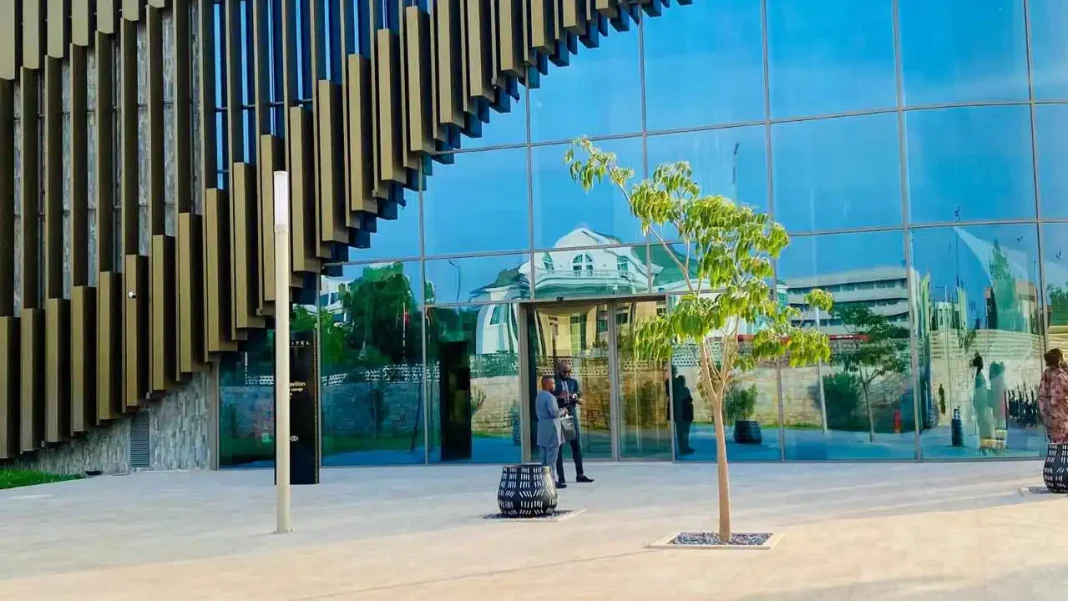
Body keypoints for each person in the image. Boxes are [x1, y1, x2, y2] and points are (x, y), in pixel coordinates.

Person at [554, 360, 593, 485]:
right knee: (559, 447)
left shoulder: (573, 382)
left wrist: (574, 397)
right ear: (559, 371)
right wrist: (559, 397)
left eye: (569, 371)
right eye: (564, 371)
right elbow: (548, 397)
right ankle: (561, 477)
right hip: (559, 416)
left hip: (570, 416)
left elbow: (580, 398)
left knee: (576, 445)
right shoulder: (554, 382)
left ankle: (580, 474)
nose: (567, 374)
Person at [535, 374, 567, 487]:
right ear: (547, 384)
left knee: (543, 459)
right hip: (552, 429)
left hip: (542, 429)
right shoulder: (550, 397)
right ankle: (551, 481)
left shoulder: (539, 396)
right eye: (552, 383)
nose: (554, 385)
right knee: (552, 458)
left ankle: (542, 481)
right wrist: (563, 411)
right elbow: (554, 413)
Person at [1038, 349, 1068, 444]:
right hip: (1061, 418)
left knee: (1055, 445)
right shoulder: (1061, 375)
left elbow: (1041, 395)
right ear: (1059, 359)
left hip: (1049, 417)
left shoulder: (1046, 374)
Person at [665, 367, 695, 455]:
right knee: (684, 432)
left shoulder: (670, 383)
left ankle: (683, 448)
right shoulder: (682, 389)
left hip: (679, 413)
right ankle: (684, 448)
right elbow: (689, 399)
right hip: (683, 414)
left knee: (680, 431)